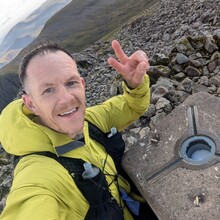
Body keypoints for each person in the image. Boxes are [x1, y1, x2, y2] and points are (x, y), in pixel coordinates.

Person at [0, 40, 151, 220]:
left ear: (82, 84)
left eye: (71, 83)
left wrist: (135, 84)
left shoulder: (90, 121)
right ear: (31, 104)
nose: (66, 99)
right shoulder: (36, 175)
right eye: (48, 90)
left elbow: (131, 106)